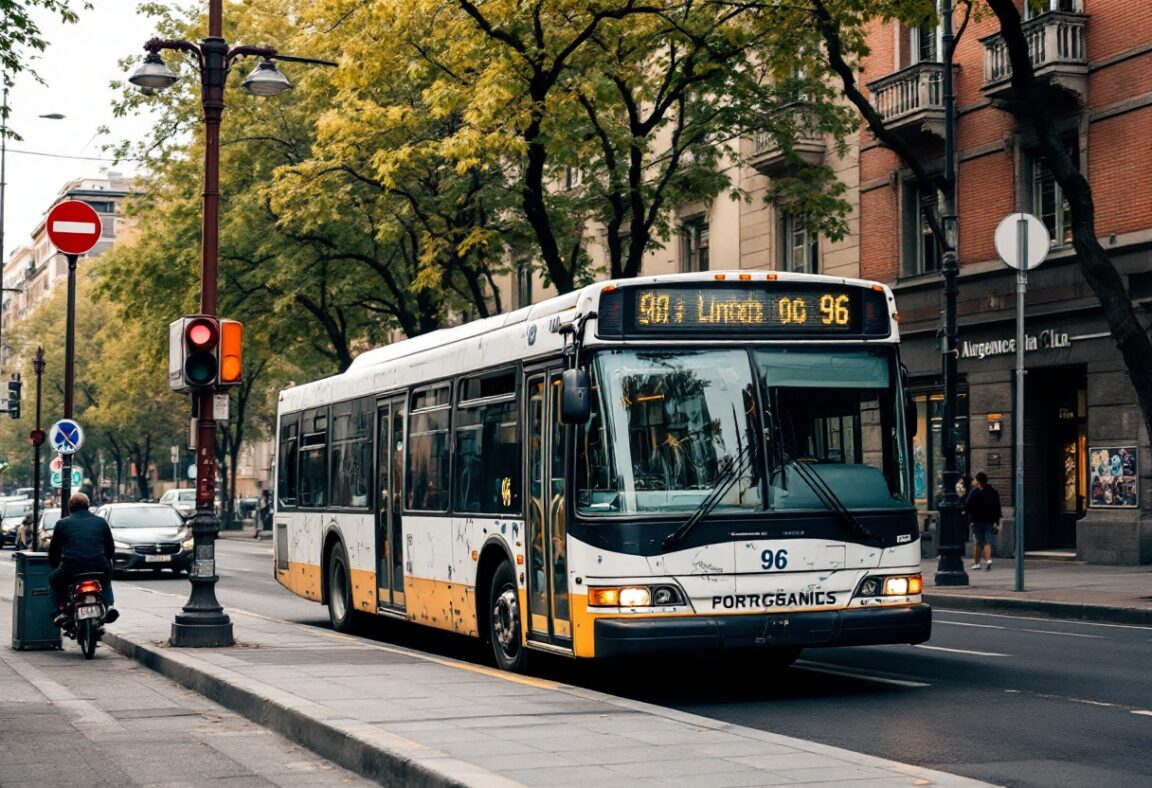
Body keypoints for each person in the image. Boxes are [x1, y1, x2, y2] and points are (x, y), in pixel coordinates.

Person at [47, 492, 119, 625]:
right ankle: (109, 605)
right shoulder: (101, 522)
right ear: (88, 506)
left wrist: (55, 565)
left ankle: (61, 610)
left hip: (71, 569)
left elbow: (54, 551)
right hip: (99, 567)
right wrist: (106, 560)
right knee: (106, 578)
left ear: (70, 508)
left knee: (54, 581)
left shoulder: (62, 524)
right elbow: (110, 548)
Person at [965, 471, 1001, 571]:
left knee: (977, 542)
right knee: (987, 542)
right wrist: (997, 522)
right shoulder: (993, 492)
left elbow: (968, 506)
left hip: (977, 521)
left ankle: (977, 563)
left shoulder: (975, 492)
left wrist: (968, 517)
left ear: (978, 481)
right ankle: (988, 560)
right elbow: (997, 508)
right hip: (989, 521)